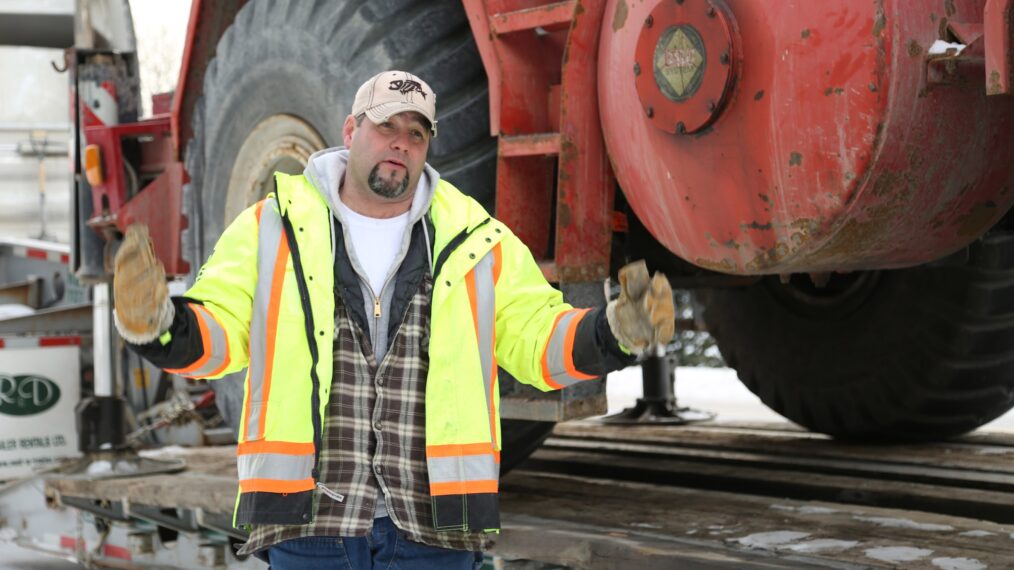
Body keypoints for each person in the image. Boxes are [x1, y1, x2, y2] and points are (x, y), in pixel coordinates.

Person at [112, 70, 674, 569]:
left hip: (435, 528)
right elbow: (218, 331)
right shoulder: (271, 226)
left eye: (416, 133)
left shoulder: (475, 238)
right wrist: (154, 323)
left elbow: (538, 339)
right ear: (351, 131)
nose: (400, 144)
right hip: (311, 525)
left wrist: (614, 332)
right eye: (387, 127)